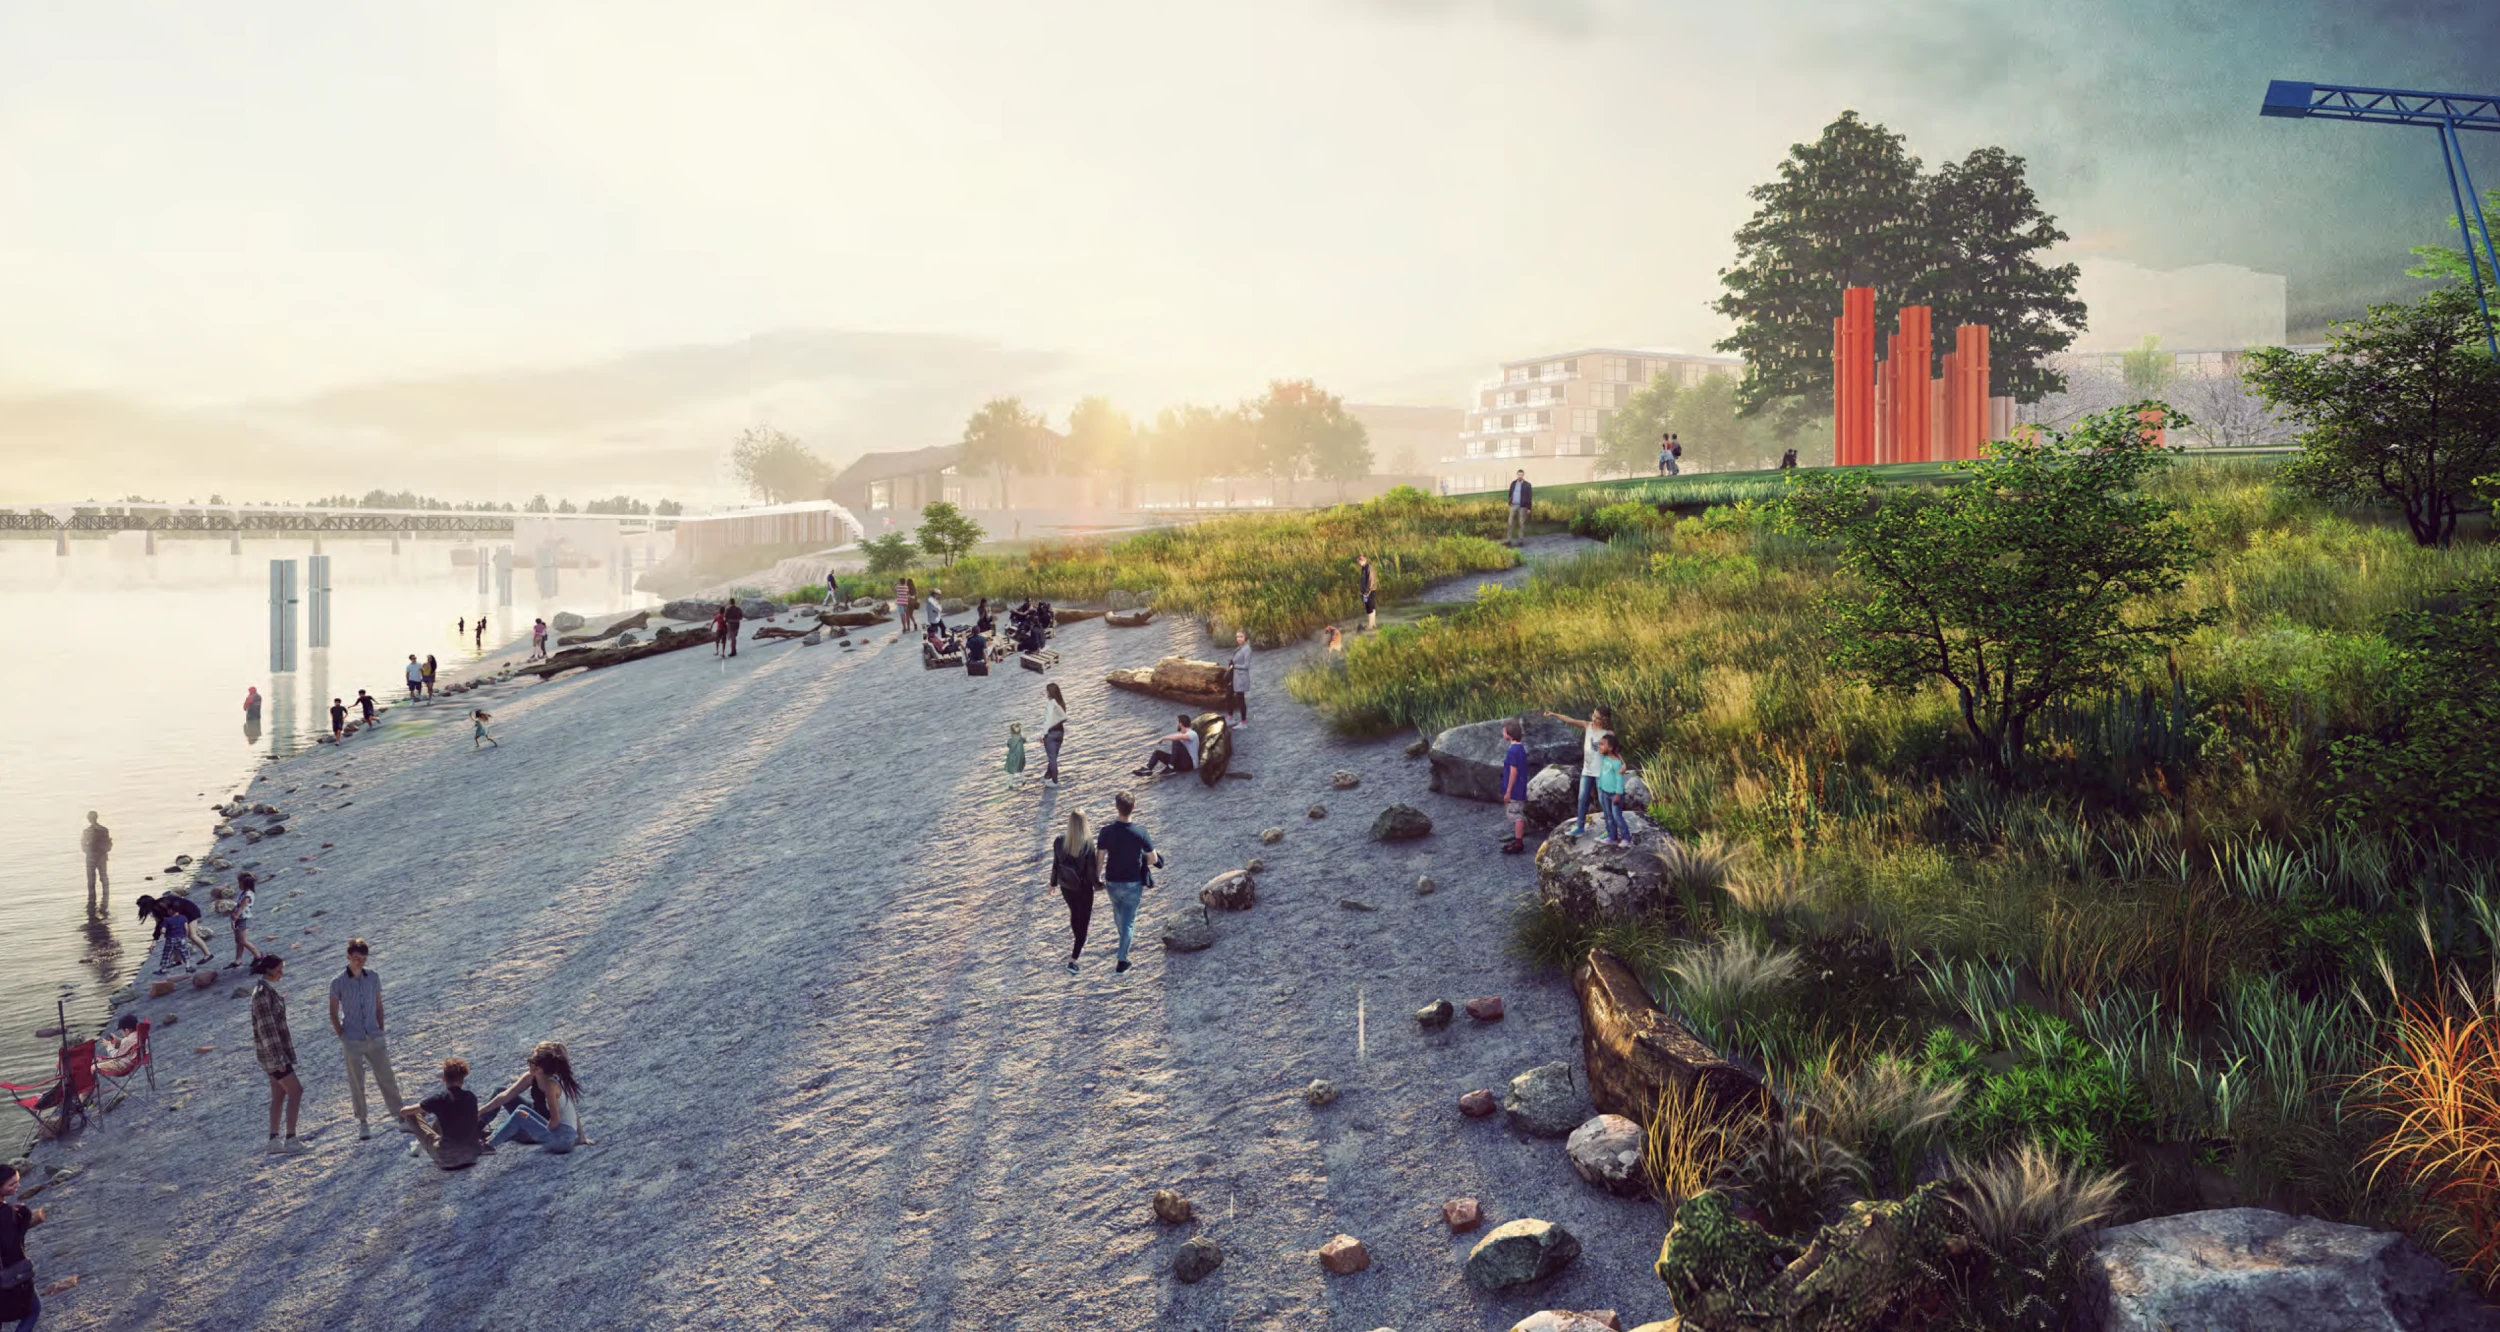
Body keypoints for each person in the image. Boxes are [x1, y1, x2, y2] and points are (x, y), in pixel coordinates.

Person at [329, 939, 406, 1141]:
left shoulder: (373, 977)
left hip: (374, 1035)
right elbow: (333, 1012)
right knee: (357, 1081)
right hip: (352, 1038)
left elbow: (379, 1006)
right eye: (356, 959)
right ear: (348, 956)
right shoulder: (337, 982)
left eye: (363, 959)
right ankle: (363, 1121)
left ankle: (400, 1116)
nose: (360, 963)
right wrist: (343, 1036)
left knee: (386, 1076)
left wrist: (380, 1029)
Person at [1093, 792, 1161, 974]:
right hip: (1132, 882)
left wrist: (1096, 879)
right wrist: (1138, 860)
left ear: (1116, 807)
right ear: (1134, 807)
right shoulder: (1140, 833)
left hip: (1112, 882)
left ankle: (1124, 941)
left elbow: (1099, 858)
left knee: (1118, 913)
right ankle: (1122, 960)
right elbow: (1154, 859)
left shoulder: (1105, 832)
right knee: (1129, 921)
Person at [484, 1042, 585, 1154]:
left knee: (518, 1117)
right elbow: (506, 1095)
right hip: (559, 1133)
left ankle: (488, 1145)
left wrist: (538, 1130)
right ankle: (481, 1129)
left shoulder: (552, 1085)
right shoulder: (545, 1078)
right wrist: (582, 1138)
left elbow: (557, 1119)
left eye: (531, 1061)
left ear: (539, 1068)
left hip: (559, 1138)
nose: (528, 1063)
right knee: (519, 1108)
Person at [250, 955, 306, 1155]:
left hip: (272, 1055)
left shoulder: (265, 991)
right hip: (274, 1055)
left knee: (279, 1094)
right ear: (269, 970)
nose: (281, 973)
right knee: (296, 1091)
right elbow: (267, 1030)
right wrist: (279, 1059)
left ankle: (274, 1140)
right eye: (279, 969)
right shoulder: (263, 994)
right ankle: (291, 1139)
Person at [399, 1057, 485, 1170]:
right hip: (472, 1156)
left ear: (444, 1078)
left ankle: (417, 1142)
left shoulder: (439, 1099)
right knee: (452, 1115)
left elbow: (404, 1112)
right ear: (463, 1079)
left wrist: (413, 1110)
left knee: (412, 1115)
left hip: (446, 1159)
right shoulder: (471, 1097)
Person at [1549, 705, 1615, 838]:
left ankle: (1610, 829)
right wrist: (1554, 714)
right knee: (1582, 798)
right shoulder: (1587, 726)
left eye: (1598, 717)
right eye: (1594, 715)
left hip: (1601, 773)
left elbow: (1614, 754)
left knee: (1603, 801)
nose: (1594, 718)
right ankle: (1580, 826)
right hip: (1587, 771)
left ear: (1605, 719)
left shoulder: (1608, 734)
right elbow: (1570, 720)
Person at [1047, 808, 1100, 972]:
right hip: (1083, 889)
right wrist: (1099, 885)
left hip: (1066, 887)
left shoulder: (1059, 841)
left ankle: (1079, 941)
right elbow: (1091, 874)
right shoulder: (1087, 845)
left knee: (1074, 914)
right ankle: (1073, 959)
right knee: (1083, 923)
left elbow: (1056, 864)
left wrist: (1053, 884)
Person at [1, 1161, 47, 1332]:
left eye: (18, 1181)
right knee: (33, 1310)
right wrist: (24, 1217)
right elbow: (12, 1244)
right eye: (12, 1184)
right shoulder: (5, 1213)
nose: (17, 1186)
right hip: (8, 1273)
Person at [1499, 718, 1532, 855]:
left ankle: (1519, 843)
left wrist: (1508, 792)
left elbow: (1513, 772)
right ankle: (1518, 839)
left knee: (1515, 814)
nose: (1502, 733)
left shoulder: (1512, 751)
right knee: (1516, 812)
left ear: (1509, 734)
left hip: (1515, 790)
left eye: (1504, 731)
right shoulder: (1520, 748)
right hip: (1520, 787)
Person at [1595, 733, 1634, 846]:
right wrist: (1600, 787)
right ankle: (1612, 837)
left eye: (1602, 745)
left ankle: (1627, 838)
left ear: (1610, 747)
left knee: (1617, 816)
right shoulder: (1604, 757)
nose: (1599, 746)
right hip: (1604, 792)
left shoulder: (1616, 763)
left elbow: (1620, 780)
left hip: (1614, 794)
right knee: (1608, 815)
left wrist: (1618, 794)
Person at [1133, 715, 1199, 778]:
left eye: (1177, 722)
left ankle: (1170, 767)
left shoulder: (1192, 733)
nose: (1177, 724)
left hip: (1190, 765)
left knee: (1176, 741)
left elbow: (1179, 737)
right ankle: (1148, 768)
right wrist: (1163, 738)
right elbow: (1176, 735)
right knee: (1157, 753)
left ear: (1180, 724)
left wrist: (1163, 738)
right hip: (1181, 763)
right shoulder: (1182, 734)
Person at [227, 871, 261, 968]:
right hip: (239, 918)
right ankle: (238, 960)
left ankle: (258, 956)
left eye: (239, 883)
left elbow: (242, 907)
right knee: (238, 941)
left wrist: (236, 916)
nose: (238, 885)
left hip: (243, 918)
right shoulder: (244, 893)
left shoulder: (247, 895)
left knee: (243, 941)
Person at [1040, 682, 1068, 787]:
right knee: (1054, 756)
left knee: (1052, 759)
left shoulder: (1051, 704)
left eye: (1047, 691)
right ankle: (1047, 776)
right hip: (1060, 732)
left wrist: (1042, 735)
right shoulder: (1061, 703)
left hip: (1051, 734)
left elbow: (1047, 721)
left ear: (1050, 692)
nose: (1046, 692)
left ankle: (1055, 781)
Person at [80, 812, 110, 898]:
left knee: (91, 881)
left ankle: (92, 900)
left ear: (88, 819)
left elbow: (83, 845)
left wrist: (89, 851)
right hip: (102, 856)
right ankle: (106, 898)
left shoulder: (86, 831)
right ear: (97, 817)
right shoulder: (104, 830)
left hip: (91, 857)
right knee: (104, 878)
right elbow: (107, 844)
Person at [1226, 630, 1251, 728]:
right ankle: (1230, 717)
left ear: (1245, 637)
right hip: (1235, 677)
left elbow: (1246, 666)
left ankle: (1243, 723)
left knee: (1240, 699)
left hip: (1241, 678)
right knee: (1228, 695)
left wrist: (1234, 666)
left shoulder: (1247, 649)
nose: (1238, 639)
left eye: (1241, 636)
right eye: (1237, 637)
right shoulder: (1240, 648)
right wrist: (1231, 662)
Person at [1507, 470, 1534, 543]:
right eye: (1519, 475)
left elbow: (1529, 497)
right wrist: (1509, 502)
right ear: (1517, 475)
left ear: (1523, 475)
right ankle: (1509, 540)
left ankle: (1520, 540)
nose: (1520, 476)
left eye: (1521, 475)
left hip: (1523, 506)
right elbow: (1510, 493)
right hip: (1513, 505)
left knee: (1521, 523)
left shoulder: (1527, 485)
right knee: (1510, 522)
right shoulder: (1513, 483)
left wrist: (1529, 508)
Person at [1356, 554, 1377, 632]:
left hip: (1370, 591)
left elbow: (1371, 580)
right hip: (1367, 591)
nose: (1358, 564)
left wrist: (1366, 592)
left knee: (1369, 607)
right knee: (1371, 606)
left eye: (1359, 562)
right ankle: (1373, 624)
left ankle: (1370, 625)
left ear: (1362, 560)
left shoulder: (1369, 568)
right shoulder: (1364, 568)